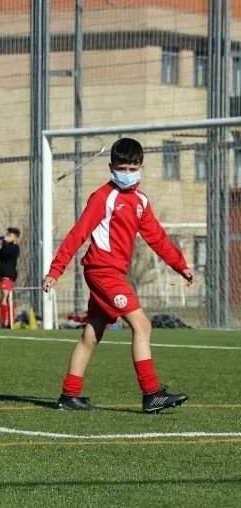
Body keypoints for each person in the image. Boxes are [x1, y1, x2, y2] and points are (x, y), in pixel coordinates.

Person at [42, 137, 193, 414]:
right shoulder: (103, 197)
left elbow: (157, 237)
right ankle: (151, 394)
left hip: (110, 273)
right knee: (142, 326)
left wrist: (179, 265)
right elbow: (78, 234)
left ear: (141, 166)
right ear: (111, 167)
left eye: (132, 168)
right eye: (121, 168)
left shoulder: (140, 202)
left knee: (91, 334)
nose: (126, 174)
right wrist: (56, 270)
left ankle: (69, 396)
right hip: (102, 271)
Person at [0, 227, 20, 327]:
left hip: (8, 275)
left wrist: (3, 240)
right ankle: (9, 321)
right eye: (7, 235)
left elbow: (6, 252)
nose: (7, 237)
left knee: (4, 297)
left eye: (10, 236)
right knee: (5, 298)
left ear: (15, 238)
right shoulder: (5, 249)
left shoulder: (15, 248)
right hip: (3, 276)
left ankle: (5, 322)